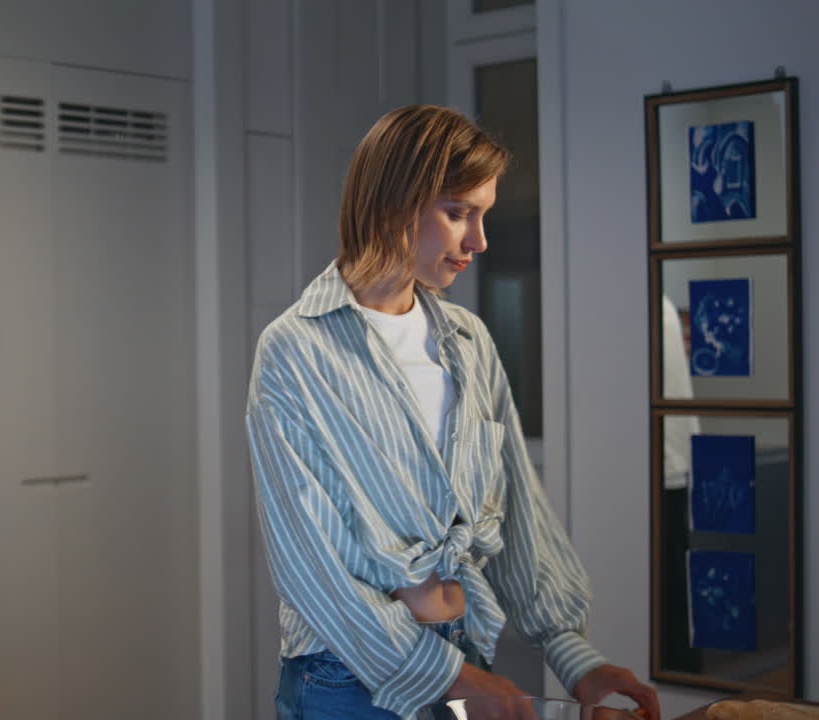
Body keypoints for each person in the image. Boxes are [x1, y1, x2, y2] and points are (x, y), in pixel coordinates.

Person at [245, 106, 661, 720]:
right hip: (348, 680)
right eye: (458, 212)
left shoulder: (468, 340)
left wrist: (575, 657)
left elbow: (519, 509)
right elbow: (311, 567)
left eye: (483, 214)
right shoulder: (295, 350)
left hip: (465, 657)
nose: (479, 241)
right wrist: (446, 676)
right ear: (393, 204)